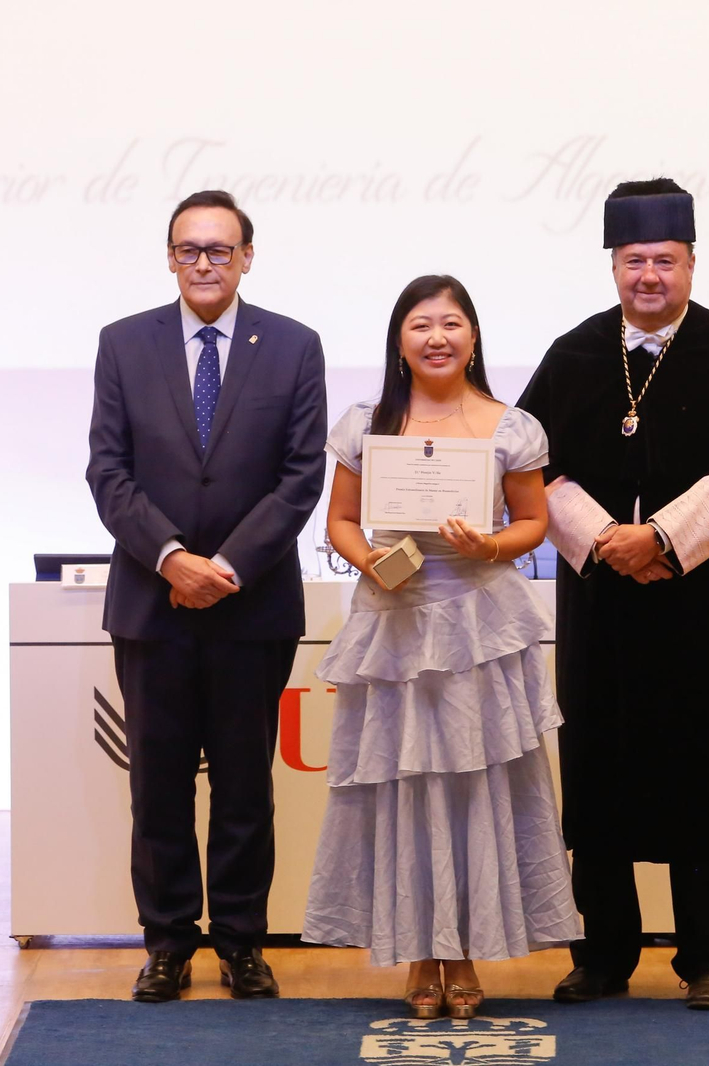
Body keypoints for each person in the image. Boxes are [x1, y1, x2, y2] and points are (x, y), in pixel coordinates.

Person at [518, 179, 709, 1010]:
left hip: (703, 608)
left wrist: (665, 541)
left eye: (665, 261)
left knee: (703, 772)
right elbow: (530, 466)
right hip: (604, 606)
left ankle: (708, 957)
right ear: (614, 265)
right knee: (601, 771)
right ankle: (604, 953)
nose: (650, 277)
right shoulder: (573, 355)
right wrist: (609, 541)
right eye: (635, 260)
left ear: (689, 263)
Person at [302, 275, 582, 1019]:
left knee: (473, 788)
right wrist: (371, 562)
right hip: (393, 619)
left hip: (479, 621)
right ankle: (417, 956)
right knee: (403, 786)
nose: (437, 337)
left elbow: (533, 522)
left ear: (474, 336)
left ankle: (463, 956)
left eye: (451, 323)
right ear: (399, 340)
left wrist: (490, 543)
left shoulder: (510, 425)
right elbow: (341, 521)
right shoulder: (367, 423)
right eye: (421, 324)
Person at [86, 189, 327, 1003]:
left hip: (251, 605)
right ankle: (166, 943)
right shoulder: (123, 344)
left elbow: (301, 479)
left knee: (244, 785)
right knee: (156, 785)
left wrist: (223, 567)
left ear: (246, 258)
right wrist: (171, 559)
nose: (204, 263)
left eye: (219, 250)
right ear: (169, 258)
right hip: (152, 607)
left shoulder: (294, 346)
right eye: (189, 249)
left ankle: (241, 942)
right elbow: (107, 472)